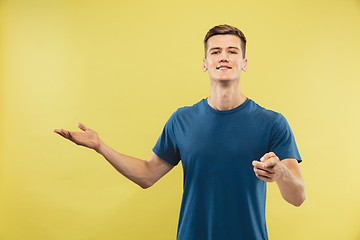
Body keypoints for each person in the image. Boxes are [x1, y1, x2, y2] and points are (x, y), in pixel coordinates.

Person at [54, 24, 305, 240]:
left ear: (245, 63)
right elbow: (146, 175)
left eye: (232, 51)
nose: (224, 57)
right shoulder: (181, 120)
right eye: (215, 52)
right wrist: (101, 146)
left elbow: (297, 197)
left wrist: (280, 172)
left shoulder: (272, 122)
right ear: (205, 64)